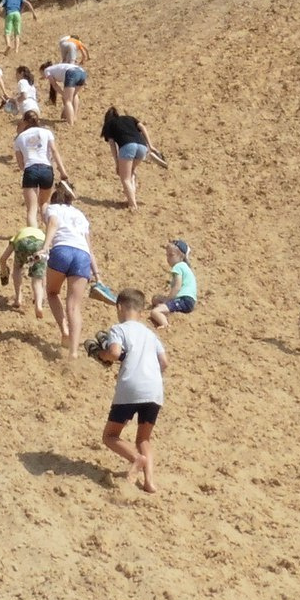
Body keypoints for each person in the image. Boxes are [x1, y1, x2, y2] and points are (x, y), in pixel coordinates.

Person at [92, 288, 164, 493]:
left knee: (110, 436)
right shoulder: (151, 334)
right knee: (144, 438)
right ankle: (149, 482)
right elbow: (164, 362)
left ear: (119, 307)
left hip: (131, 387)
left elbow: (114, 353)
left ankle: (135, 458)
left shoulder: (119, 329)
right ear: (141, 311)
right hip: (155, 389)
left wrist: (103, 355)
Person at [40, 181, 96, 353]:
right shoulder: (80, 215)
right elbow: (89, 246)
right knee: (74, 307)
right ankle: (73, 352)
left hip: (62, 250)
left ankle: (64, 330)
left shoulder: (53, 208)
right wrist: (97, 272)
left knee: (52, 292)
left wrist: (46, 246)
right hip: (82, 255)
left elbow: (54, 224)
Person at [98, 105, 169, 211]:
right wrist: (151, 145)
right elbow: (142, 127)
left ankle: (132, 204)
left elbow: (113, 146)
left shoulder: (109, 125)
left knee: (124, 178)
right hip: (142, 146)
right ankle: (148, 155)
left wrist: (117, 163)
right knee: (131, 172)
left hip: (127, 147)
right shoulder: (129, 118)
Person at [13, 114, 67, 225]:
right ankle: (49, 233)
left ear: (25, 122)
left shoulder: (20, 138)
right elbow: (54, 151)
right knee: (44, 204)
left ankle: (34, 236)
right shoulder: (46, 132)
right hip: (46, 169)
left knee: (32, 209)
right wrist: (62, 171)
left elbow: (20, 163)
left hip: (30, 169)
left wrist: (27, 170)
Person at [156, 238, 199, 331]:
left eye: (171, 255)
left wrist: (167, 300)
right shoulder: (185, 267)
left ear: (181, 256)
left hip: (183, 300)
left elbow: (177, 287)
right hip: (189, 300)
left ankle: (165, 324)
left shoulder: (178, 267)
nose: (168, 259)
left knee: (155, 311)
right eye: (167, 255)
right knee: (156, 299)